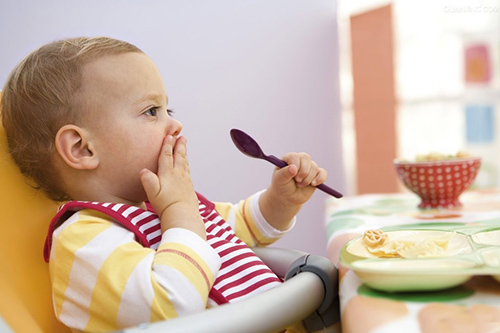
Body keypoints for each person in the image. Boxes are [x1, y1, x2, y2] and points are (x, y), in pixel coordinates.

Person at [1, 37, 328, 332]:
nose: (175, 123)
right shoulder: (82, 242)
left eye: (167, 108)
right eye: (151, 111)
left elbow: (241, 227)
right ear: (82, 149)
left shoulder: (168, 206)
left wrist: (281, 199)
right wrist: (180, 212)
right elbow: (171, 308)